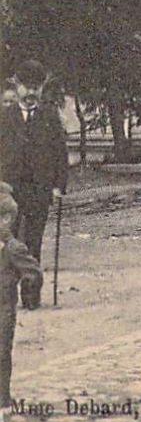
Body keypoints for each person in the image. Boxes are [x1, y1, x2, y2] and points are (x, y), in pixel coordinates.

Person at [0, 61, 67, 310]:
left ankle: (31, 295)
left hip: (39, 191)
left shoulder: (50, 116)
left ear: (42, 88)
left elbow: (60, 153)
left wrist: (59, 186)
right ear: (16, 86)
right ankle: (7, 294)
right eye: (26, 87)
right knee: (9, 242)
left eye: (36, 87)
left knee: (33, 243)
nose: (31, 93)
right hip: (8, 192)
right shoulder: (4, 117)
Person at [0, 184, 44, 408]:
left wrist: (23, 284)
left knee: (1, 354)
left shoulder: (12, 249)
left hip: (3, 310)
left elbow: (34, 273)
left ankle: (3, 398)